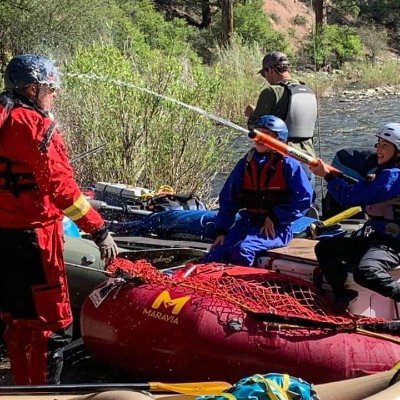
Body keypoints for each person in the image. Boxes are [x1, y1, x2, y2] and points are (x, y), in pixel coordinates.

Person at [0, 54, 118, 385]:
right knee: (50, 327)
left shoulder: (4, 118)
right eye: (51, 89)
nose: (55, 95)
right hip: (34, 239)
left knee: (18, 322)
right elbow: (63, 190)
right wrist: (100, 229)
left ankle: (21, 389)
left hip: (4, 237)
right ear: (32, 89)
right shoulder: (34, 126)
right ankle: (39, 393)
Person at [310, 122, 400, 312]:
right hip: (376, 238)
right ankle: (343, 294)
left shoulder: (393, 177)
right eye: (378, 144)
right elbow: (356, 190)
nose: (379, 150)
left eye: (385, 146)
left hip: (393, 244)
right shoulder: (382, 173)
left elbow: (349, 197)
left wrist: (327, 177)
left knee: (366, 272)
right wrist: (334, 176)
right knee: (325, 248)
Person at [203, 115, 313, 267]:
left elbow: (304, 199)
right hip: (247, 222)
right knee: (216, 254)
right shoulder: (246, 163)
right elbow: (228, 198)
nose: (260, 139)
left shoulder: (289, 165)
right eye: (258, 133)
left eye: (267, 135)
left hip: (276, 228)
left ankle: (242, 286)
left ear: (279, 139)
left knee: (242, 250)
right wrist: (222, 230)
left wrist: (275, 217)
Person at [245, 51, 318, 186]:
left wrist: (251, 113)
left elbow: (254, 129)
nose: (265, 78)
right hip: (309, 158)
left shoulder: (271, 92)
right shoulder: (309, 90)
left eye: (264, 73)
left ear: (271, 70)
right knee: (306, 203)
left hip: (283, 161)